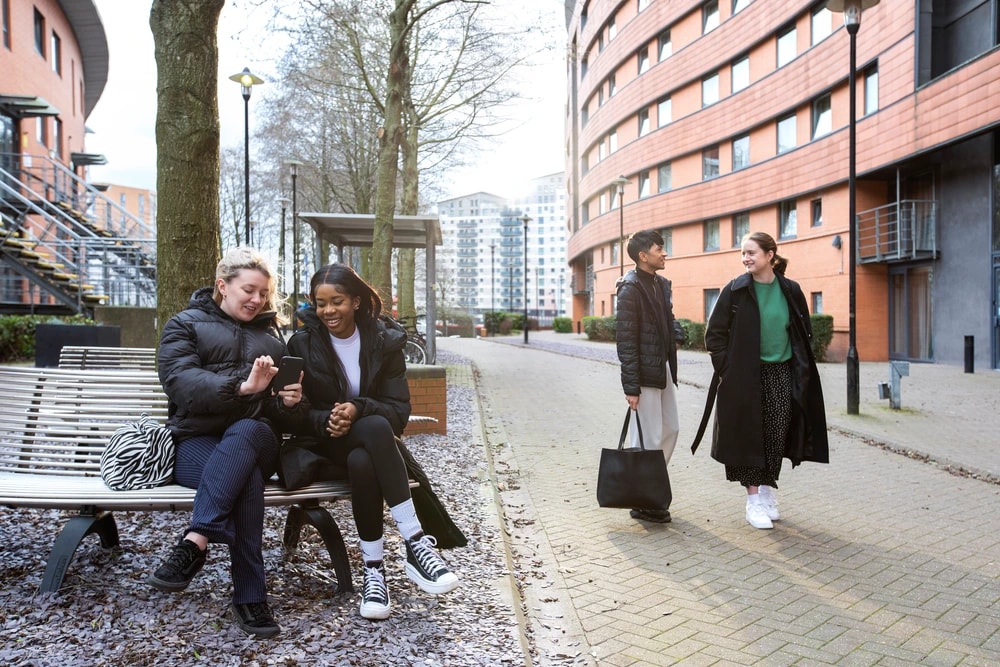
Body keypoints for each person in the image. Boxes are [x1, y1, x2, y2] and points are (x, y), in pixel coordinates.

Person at [286, 263, 459, 621]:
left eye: (337, 301)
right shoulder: (302, 343)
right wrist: (325, 419)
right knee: (376, 430)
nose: (328, 311)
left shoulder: (385, 342)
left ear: (358, 302)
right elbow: (292, 410)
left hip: (370, 447)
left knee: (369, 449)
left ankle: (374, 571)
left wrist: (356, 407)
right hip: (322, 444)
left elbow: (399, 411)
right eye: (321, 303)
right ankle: (415, 542)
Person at [149, 247, 308, 638]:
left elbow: (282, 416)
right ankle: (251, 597)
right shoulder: (184, 325)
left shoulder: (272, 340)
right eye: (249, 290)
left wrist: (290, 403)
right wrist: (241, 387)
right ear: (223, 286)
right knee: (246, 480)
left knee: (248, 432)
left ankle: (196, 538)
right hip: (196, 443)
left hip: (257, 437)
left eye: (263, 294)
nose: (257, 300)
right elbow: (180, 383)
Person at [692, 231, 829, 529]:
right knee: (749, 435)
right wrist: (727, 368)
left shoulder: (790, 290)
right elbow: (713, 335)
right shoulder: (736, 290)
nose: (746, 258)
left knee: (776, 433)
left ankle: (767, 491)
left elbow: (803, 333)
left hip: (781, 372)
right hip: (744, 376)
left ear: (770, 255)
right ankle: (753, 501)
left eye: (752, 252)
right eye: (743, 253)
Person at [615, 229, 685, 524]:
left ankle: (649, 488)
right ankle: (645, 499)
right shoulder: (630, 288)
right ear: (643, 256)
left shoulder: (661, 284)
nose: (664, 253)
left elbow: (667, 318)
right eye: (660, 248)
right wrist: (631, 386)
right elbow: (626, 341)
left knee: (671, 429)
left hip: (663, 368)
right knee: (648, 436)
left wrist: (677, 334)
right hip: (643, 373)